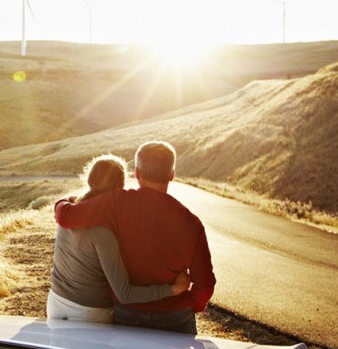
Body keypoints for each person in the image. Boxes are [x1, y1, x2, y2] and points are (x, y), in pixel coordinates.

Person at [54, 142, 216, 334]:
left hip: (127, 314)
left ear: (137, 174)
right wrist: (191, 305)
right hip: (176, 314)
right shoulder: (191, 222)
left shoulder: (116, 201)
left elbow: (65, 216)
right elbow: (205, 284)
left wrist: (66, 199)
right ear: (171, 175)